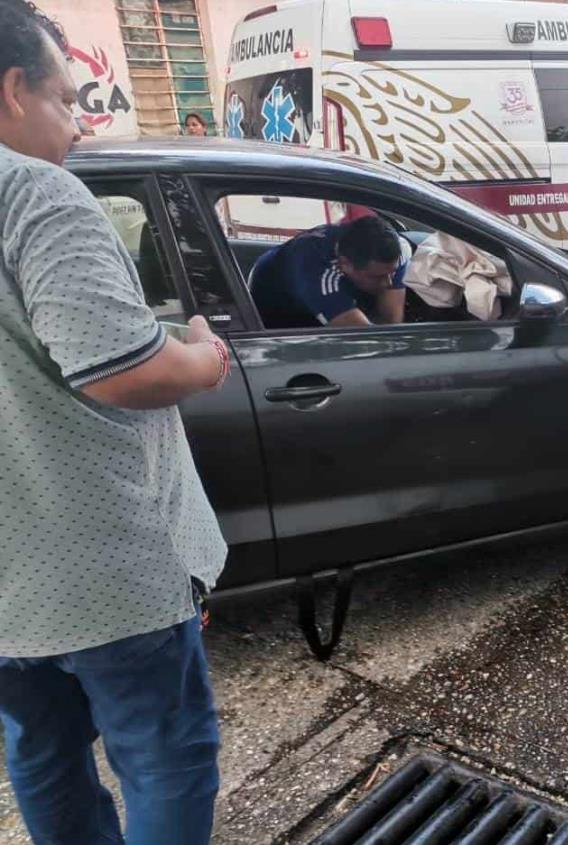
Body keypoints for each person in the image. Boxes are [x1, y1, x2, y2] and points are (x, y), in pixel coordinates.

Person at [0, 2, 230, 844]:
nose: (77, 125)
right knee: (164, 752)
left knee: (43, 752)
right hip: (105, 568)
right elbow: (123, 370)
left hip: (5, 588)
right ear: (15, 88)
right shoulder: (33, 191)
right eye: (67, 99)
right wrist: (201, 354)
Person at [250, 214, 411, 328]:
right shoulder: (316, 275)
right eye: (378, 277)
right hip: (276, 303)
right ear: (345, 264)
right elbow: (369, 341)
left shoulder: (398, 251)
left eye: (392, 273)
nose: (388, 282)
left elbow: (391, 323)